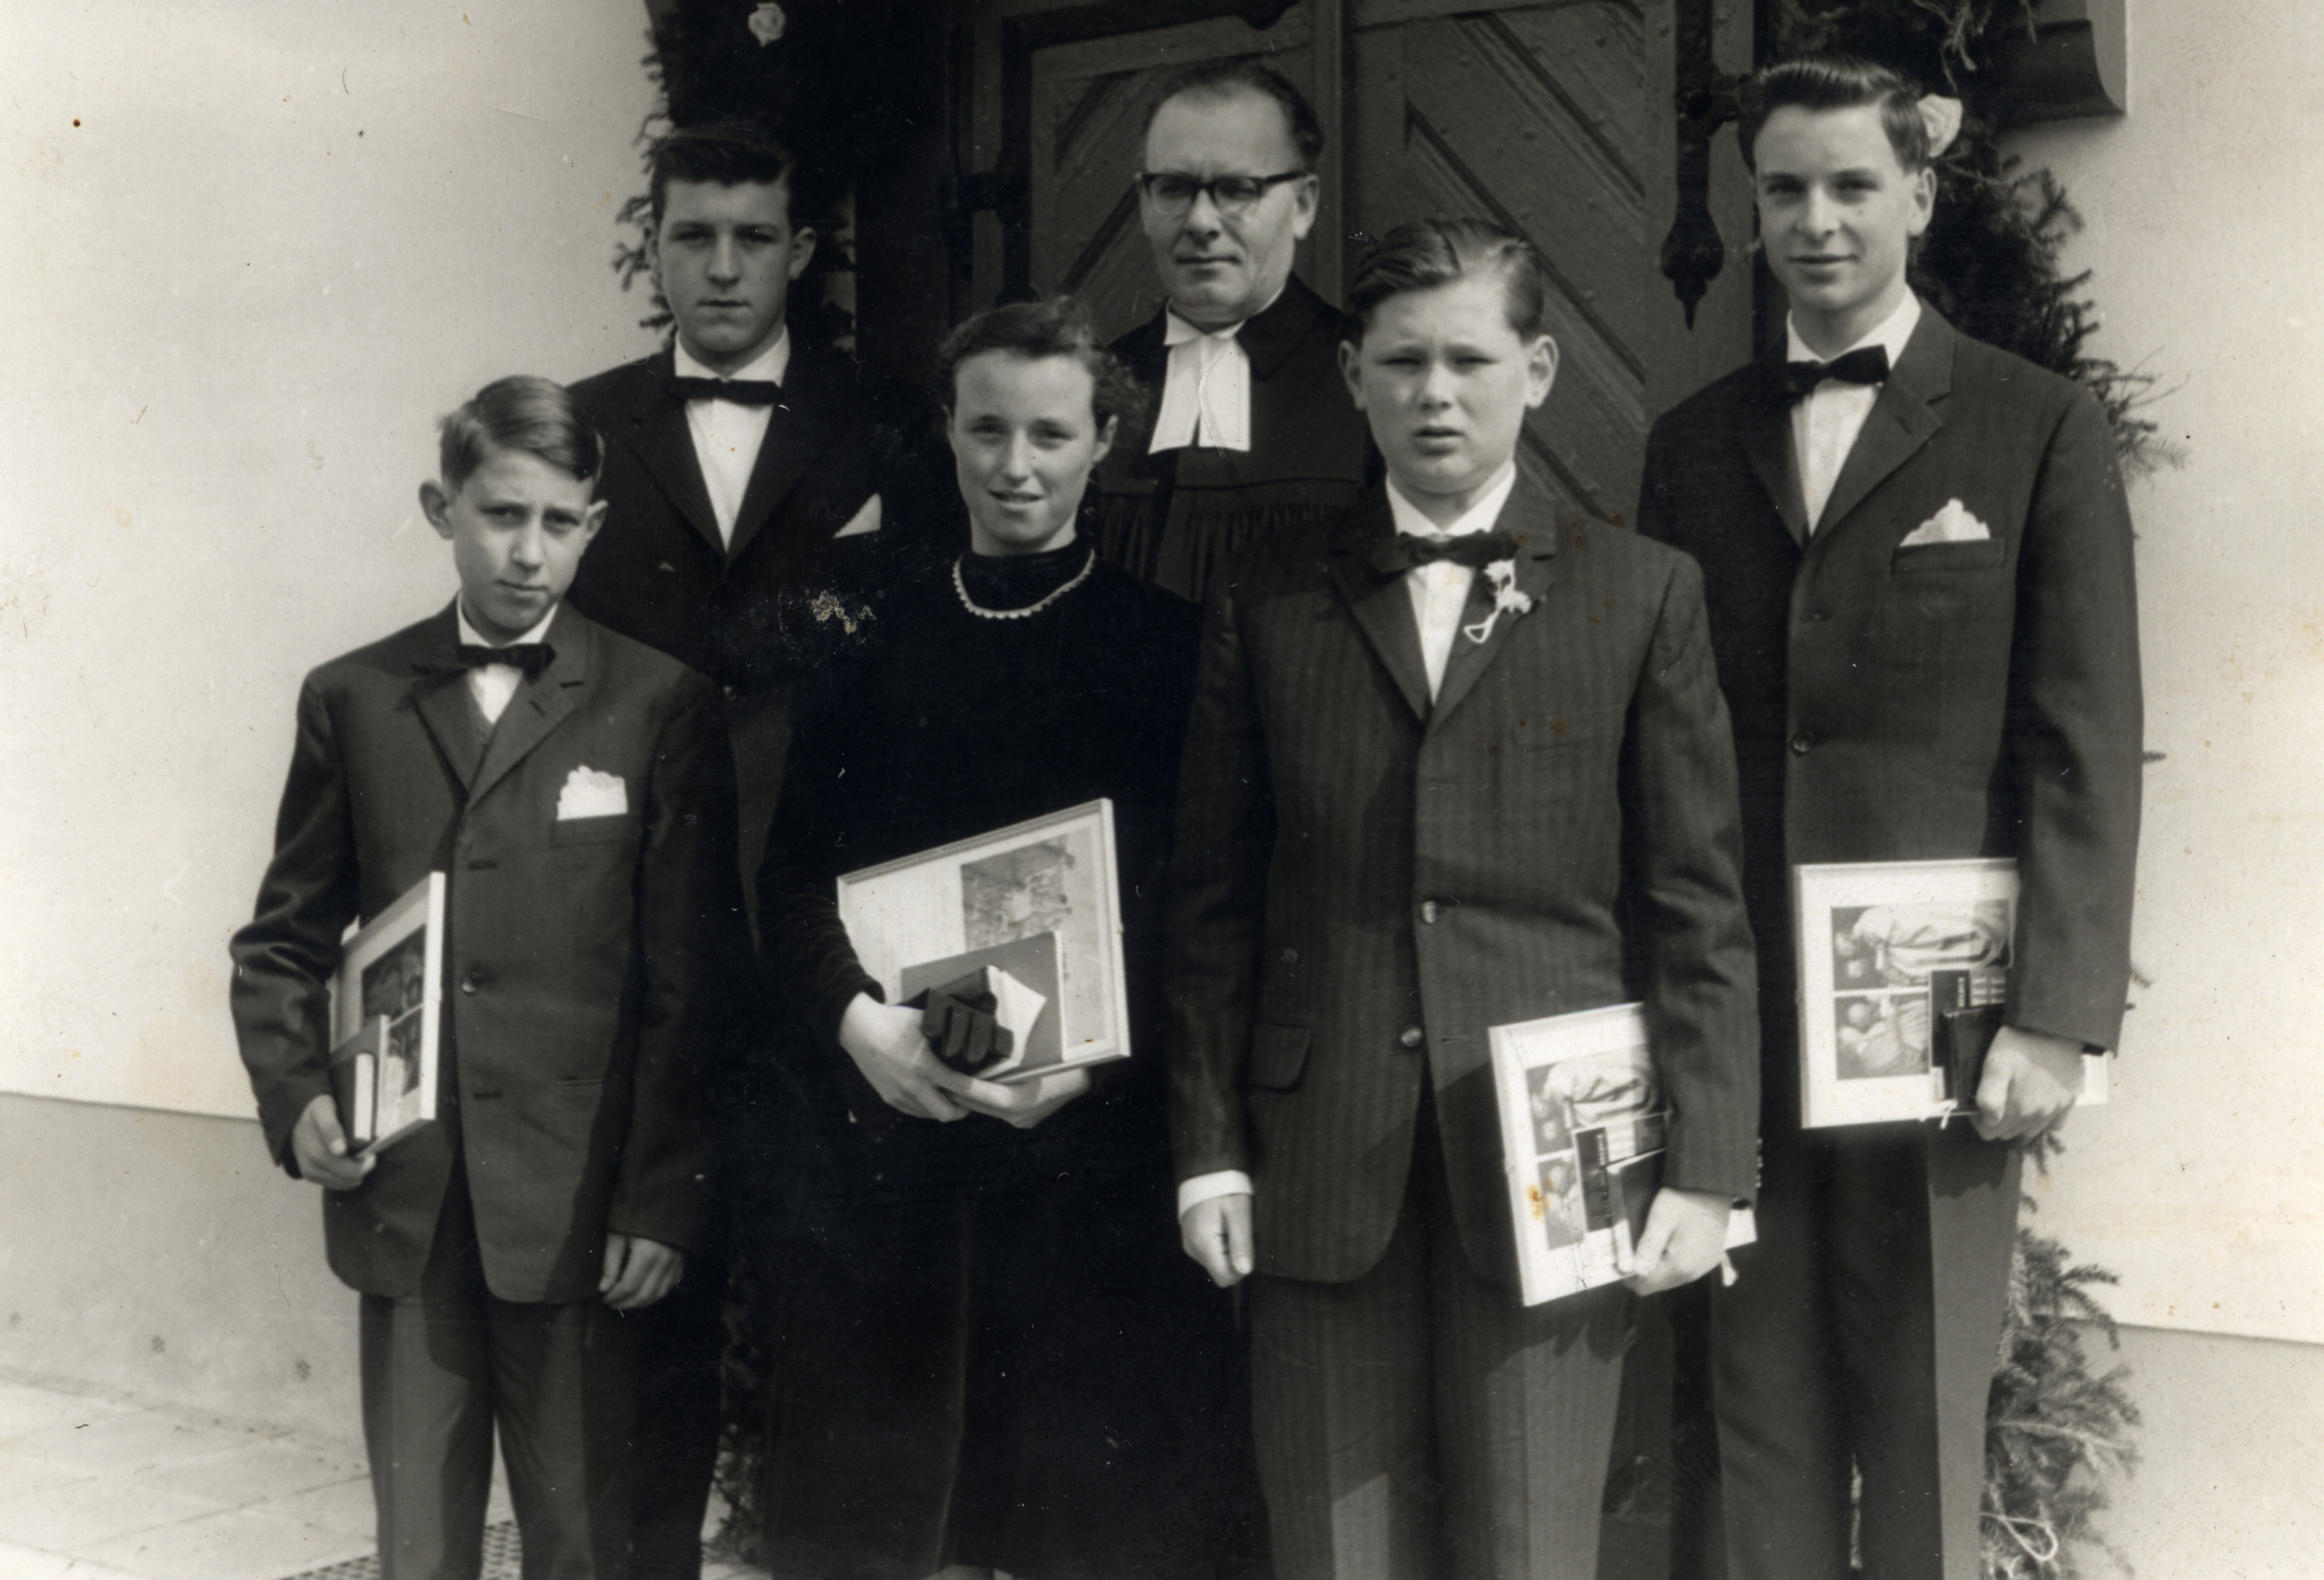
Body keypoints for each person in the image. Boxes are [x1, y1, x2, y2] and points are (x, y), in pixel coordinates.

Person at [1166, 218, 1760, 1580]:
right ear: (1353, 375)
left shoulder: (1642, 595)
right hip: (1318, 1154)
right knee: (1333, 1554)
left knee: (1530, 1549)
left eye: (1471, 361)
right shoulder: (1268, 600)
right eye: (1403, 362)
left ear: (1536, 372)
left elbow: (1695, 905)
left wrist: (1711, 1168)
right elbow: (1211, 904)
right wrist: (1207, 1149)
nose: (1436, 394)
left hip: (1560, 1165)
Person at [1637, 55, 2142, 1580]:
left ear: (1919, 193)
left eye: (1853, 184)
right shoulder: (1691, 443)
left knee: (1922, 1420)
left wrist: (2054, 1015)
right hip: (1744, 1024)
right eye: (1784, 189)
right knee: (1758, 1426)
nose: (1817, 220)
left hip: (1943, 1035)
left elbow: (2081, 739)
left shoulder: (2035, 426)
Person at [740, 297, 1264, 1580]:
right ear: (948, 431)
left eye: (1049, 434)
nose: (1015, 465)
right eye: (987, 430)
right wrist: (863, 1028)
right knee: (898, 1524)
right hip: (894, 1151)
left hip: (1093, 1159)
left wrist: (1095, 1064)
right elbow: (792, 878)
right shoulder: (872, 640)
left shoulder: (1171, 646)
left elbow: (1205, 902)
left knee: (1087, 1523)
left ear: (1104, 442)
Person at [227, 376, 750, 1580]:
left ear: (594, 526)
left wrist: (658, 1202)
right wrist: (294, 1097)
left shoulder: (655, 702)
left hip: (577, 1214)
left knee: (583, 1546)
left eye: (559, 523)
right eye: (502, 514)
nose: (528, 552)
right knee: (418, 1548)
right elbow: (282, 941)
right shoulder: (354, 698)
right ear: (441, 508)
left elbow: (692, 986)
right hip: (408, 1205)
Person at [562, 123, 939, 1577]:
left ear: (802, 250)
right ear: (653, 249)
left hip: (829, 932)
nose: (722, 267)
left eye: (753, 237)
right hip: (636, 937)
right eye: (692, 236)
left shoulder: (889, 421)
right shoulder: (583, 426)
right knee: (641, 1312)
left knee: (837, 1306)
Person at [1089, 60, 1371, 605]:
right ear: (1144, 205)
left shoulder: (1373, 376)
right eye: (1174, 188)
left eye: (1237, 189)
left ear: (1303, 205)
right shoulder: (1092, 383)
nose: (1201, 222)